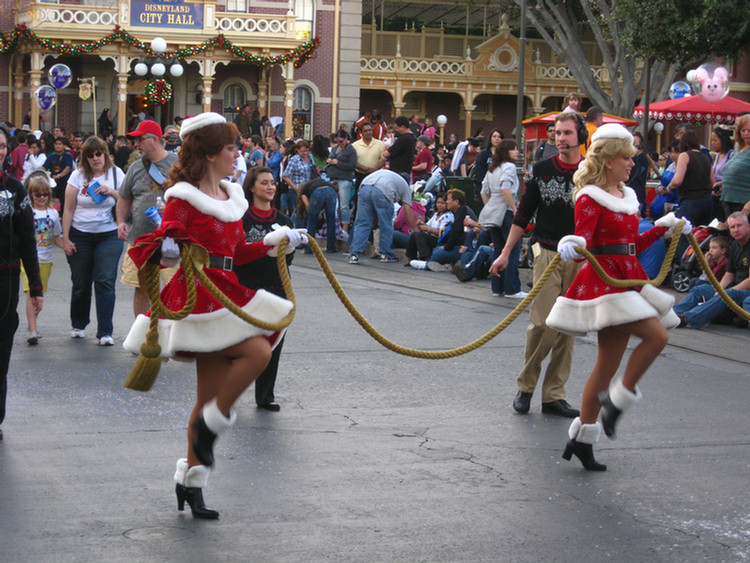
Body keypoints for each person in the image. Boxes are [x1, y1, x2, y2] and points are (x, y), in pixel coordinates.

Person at [122, 113, 305, 519]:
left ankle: (191, 482)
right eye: (230, 148)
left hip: (226, 289)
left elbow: (237, 253)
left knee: (209, 395)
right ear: (208, 154)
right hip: (199, 295)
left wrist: (275, 241)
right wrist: (167, 247)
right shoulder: (182, 196)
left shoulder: (230, 196)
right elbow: (164, 239)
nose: (236, 154)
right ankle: (213, 422)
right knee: (257, 353)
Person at [546, 123, 684, 471]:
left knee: (605, 366)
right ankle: (617, 403)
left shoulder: (626, 197)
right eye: (625, 157)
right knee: (657, 335)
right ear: (608, 161)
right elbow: (585, 246)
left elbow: (631, 246)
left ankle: (581, 440)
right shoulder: (590, 197)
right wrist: (571, 246)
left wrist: (660, 228)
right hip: (606, 284)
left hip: (629, 277)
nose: (631, 164)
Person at [489, 112, 586, 418]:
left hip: (582, 258)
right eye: (557, 133)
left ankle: (554, 394)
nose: (560, 138)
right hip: (547, 253)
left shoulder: (591, 172)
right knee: (542, 324)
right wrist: (505, 253)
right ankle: (526, 386)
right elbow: (523, 214)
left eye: (567, 133)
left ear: (580, 136)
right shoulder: (542, 170)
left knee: (568, 328)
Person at [236, 166, 295, 411]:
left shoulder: (284, 221)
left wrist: (289, 246)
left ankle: (265, 395)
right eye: (264, 183)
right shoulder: (241, 218)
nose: (270, 187)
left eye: (272, 183)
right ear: (251, 187)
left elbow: (287, 261)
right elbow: (237, 254)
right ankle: (229, 393)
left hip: (277, 287)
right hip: (245, 289)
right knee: (241, 344)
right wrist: (263, 248)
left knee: (273, 342)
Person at [0, 126, 43, 441]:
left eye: (2, 146)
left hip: (7, 278)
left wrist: (36, 287)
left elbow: (28, 240)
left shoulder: (15, 189)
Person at [62, 135, 124, 346]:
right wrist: (66, 238)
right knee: (81, 283)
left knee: (105, 280)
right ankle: (79, 323)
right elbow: (68, 209)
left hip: (109, 233)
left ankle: (105, 331)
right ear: (85, 158)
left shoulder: (116, 173)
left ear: (105, 154)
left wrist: (112, 192)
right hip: (81, 233)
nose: (95, 158)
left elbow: (125, 200)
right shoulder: (77, 177)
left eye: (99, 154)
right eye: (90, 155)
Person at [116, 120, 179, 317]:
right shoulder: (135, 167)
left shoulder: (178, 164)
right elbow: (124, 198)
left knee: (175, 289)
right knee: (142, 291)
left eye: (140, 139)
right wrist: (120, 222)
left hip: (172, 240)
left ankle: (171, 336)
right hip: (140, 239)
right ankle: (142, 335)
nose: (136, 144)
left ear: (154, 140)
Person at [673, 212, 750, 329]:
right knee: (699, 289)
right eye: (733, 227)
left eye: (740, 226)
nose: (736, 230)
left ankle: (687, 318)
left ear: (748, 226)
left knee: (728, 294)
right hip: (734, 288)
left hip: (745, 292)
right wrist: (718, 290)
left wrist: (724, 292)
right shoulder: (735, 245)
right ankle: (671, 314)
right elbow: (729, 274)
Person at [478, 139, 526, 298]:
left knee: (498, 249)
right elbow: (506, 189)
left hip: (493, 212)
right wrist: (514, 208)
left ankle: (497, 287)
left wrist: (490, 205)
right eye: (514, 149)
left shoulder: (492, 168)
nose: (517, 152)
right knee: (512, 249)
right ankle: (512, 288)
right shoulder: (510, 167)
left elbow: (484, 190)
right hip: (505, 211)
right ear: (507, 151)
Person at [22, 172, 63, 345]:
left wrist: (68, 246)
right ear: (31, 194)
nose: (41, 198)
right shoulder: (26, 212)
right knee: (31, 292)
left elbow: (56, 237)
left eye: (45, 194)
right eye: (37, 194)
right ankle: (32, 330)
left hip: (46, 260)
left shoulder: (53, 214)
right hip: (28, 260)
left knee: (39, 296)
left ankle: (33, 324)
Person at [348, 169, 417, 264]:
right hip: (384, 190)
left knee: (362, 223)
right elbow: (407, 211)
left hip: (365, 186)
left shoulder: (390, 175)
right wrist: (415, 230)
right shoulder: (405, 186)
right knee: (385, 224)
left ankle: (354, 254)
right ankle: (386, 254)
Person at [664, 128, 715, 258]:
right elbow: (712, 182)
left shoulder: (684, 155)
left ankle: (683, 267)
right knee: (702, 237)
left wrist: (670, 186)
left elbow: (678, 180)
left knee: (683, 236)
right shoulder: (705, 158)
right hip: (707, 202)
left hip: (690, 201)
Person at [417, 188, 476, 271]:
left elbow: (456, 233)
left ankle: (427, 265)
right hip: (459, 246)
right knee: (436, 249)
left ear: (456, 201)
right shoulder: (458, 212)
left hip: (464, 248)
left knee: (437, 253)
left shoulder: (463, 212)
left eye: (448, 199)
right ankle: (442, 264)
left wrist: (446, 248)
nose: (447, 202)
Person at [404, 192, 454, 266]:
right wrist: (422, 223)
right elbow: (428, 225)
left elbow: (442, 233)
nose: (439, 205)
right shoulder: (436, 214)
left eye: (442, 203)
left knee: (419, 235)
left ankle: (425, 257)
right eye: (438, 202)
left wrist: (428, 229)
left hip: (439, 241)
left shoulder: (447, 216)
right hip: (431, 238)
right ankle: (411, 257)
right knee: (414, 234)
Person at [325, 130, 358, 232]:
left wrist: (338, 163)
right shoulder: (335, 148)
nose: (339, 143)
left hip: (345, 179)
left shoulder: (351, 150)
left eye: (341, 141)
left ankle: (345, 228)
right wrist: (329, 161)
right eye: (337, 141)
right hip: (333, 178)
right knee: (336, 206)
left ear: (346, 139)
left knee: (344, 205)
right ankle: (337, 226)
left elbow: (353, 166)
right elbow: (330, 157)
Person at [719, 114, 750, 219]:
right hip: (729, 199)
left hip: (744, 202)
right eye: (743, 130)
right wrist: (723, 183)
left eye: (749, 130)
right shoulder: (738, 148)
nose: (746, 134)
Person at [299, 177, 338, 253]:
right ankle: (331, 247)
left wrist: (313, 213)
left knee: (311, 222)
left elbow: (307, 205)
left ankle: (309, 249)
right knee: (331, 220)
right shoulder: (319, 181)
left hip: (317, 192)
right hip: (331, 191)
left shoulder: (304, 191)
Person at [42, 137, 74, 214]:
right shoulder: (51, 157)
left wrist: (60, 175)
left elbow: (68, 168)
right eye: (56, 144)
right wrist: (40, 173)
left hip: (64, 184)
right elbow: (44, 167)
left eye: (60, 144)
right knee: (53, 202)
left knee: (64, 203)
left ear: (64, 146)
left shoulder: (68, 156)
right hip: (53, 184)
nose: (57, 146)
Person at [352, 122, 385, 189]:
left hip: (375, 175)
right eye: (365, 131)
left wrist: (374, 169)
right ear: (361, 132)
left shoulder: (380, 144)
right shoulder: (355, 145)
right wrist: (363, 168)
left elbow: (383, 159)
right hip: (360, 175)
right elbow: (353, 161)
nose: (368, 132)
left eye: (370, 130)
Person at [385, 116, 416, 183]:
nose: (396, 130)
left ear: (402, 127)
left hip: (398, 172)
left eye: (396, 128)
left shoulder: (403, 139)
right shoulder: (412, 137)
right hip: (406, 171)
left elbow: (387, 153)